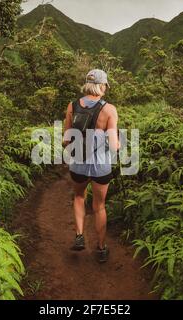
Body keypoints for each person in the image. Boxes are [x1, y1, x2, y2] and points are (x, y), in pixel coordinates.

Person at [63, 69, 119, 263]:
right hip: (100, 166)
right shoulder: (109, 109)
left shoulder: (72, 106)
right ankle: (101, 248)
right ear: (101, 86)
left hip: (78, 163)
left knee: (79, 197)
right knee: (99, 206)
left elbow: (66, 138)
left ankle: (79, 236)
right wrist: (118, 144)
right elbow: (113, 145)